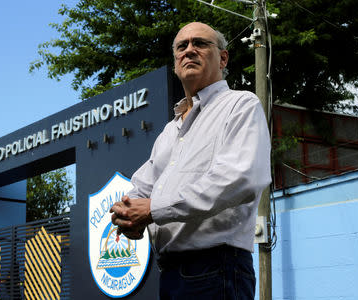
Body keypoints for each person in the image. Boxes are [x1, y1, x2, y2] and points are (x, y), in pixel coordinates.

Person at [110, 22, 271, 299]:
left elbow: (240, 178)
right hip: (171, 271)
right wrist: (128, 218)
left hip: (217, 267)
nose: (189, 50)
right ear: (175, 64)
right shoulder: (170, 130)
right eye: (181, 46)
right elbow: (143, 186)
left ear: (223, 58)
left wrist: (152, 210)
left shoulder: (240, 105)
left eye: (200, 43)